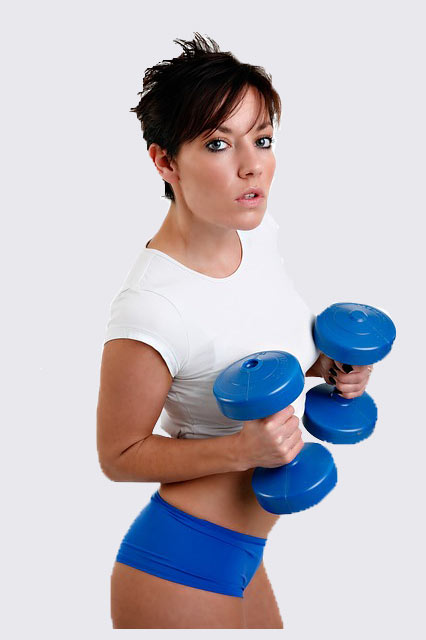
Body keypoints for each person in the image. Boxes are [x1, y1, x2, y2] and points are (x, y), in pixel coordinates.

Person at [96, 32, 373, 629]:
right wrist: (240, 451)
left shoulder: (258, 232)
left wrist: (327, 367)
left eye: (262, 139)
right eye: (218, 143)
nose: (252, 165)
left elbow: (248, 351)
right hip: (180, 565)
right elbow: (117, 455)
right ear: (165, 161)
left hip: (245, 553)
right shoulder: (151, 308)